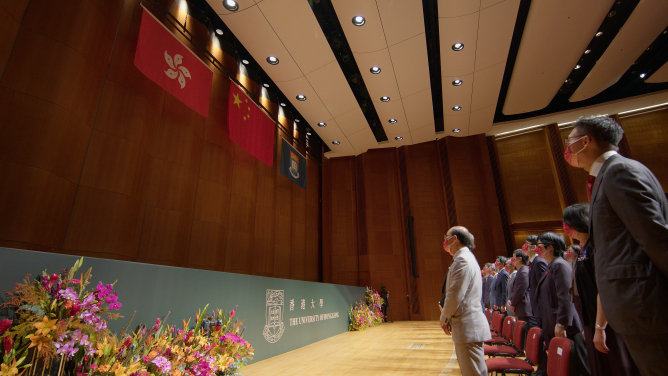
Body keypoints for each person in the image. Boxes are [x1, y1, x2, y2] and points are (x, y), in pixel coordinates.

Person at [565, 115, 668, 375]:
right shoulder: (606, 176)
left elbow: (654, 236)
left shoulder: (620, 171)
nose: (566, 149)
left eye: (570, 141)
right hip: (634, 307)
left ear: (585, 141)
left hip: (643, 303)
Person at [563, 203, 640, 376]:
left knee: (614, 367)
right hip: (593, 321)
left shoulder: (596, 248)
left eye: (568, 221)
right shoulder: (584, 251)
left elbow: (603, 290)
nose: (565, 227)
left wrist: (600, 327)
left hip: (607, 324)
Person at [536, 232, 591, 376]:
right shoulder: (551, 266)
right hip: (553, 324)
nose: (537, 249)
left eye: (539, 245)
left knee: (577, 368)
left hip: (566, 327)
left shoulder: (560, 265)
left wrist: (561, 322)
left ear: (550, 247)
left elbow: (565, 297)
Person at [440, 226, 490, 376]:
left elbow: (455, 295)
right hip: (467, 326)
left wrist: (444, 318)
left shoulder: (462, 260)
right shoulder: (465, 257)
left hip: (468, 327)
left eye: (446, 236)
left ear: (454, 239)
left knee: (473, 372)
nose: (445, 240)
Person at [508, 249, 532, 323]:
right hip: (520, 308)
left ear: (519, 259)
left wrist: (512, 303)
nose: (512, 260)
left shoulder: (524, 271)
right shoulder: (520, 271)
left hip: (524, 308)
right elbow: (515, 289)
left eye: (514, 258)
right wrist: (510, 299)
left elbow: (520, 290)